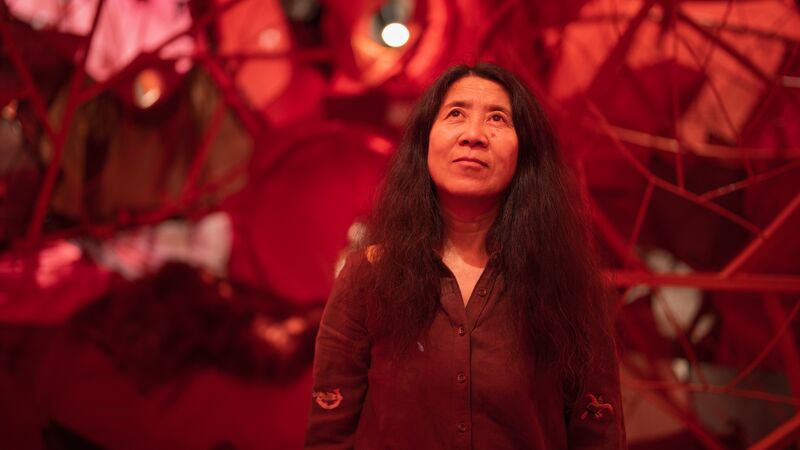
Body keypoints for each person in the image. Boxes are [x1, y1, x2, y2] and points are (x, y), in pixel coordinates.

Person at [304, 62, 626, 449]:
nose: (474, 135)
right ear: (424, 143)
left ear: (525, 152)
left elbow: (599, 436)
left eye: (497, 119)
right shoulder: (368, 276)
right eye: (456, 114)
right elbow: (329, 434)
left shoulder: (568, 285)